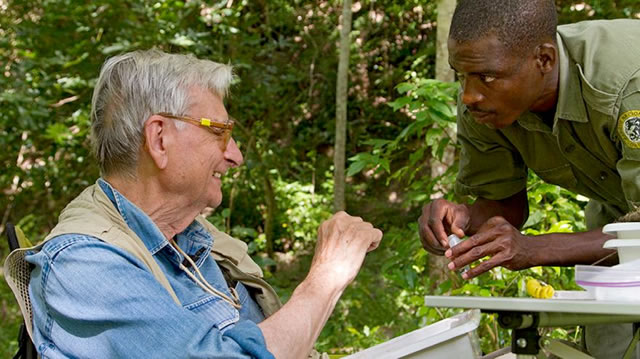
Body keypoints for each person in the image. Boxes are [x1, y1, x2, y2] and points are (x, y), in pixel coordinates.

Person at [8, 49, 382, 358]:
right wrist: (325, 278)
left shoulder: (191, 236)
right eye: (219, 133)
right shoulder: (83, 266)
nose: (235, 156)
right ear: (159, 139)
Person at [417, 0, 640, 357]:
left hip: (632, 230)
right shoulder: (482, 108)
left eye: (487, 77)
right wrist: (463, 220)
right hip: (619, 218)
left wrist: (533, 249)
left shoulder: (626, 85)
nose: (469, 95)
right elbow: (506, 206)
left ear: (545, 60)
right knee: (607, 345)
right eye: (462, 76)